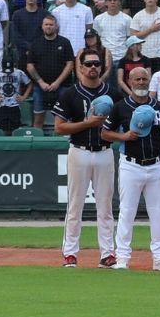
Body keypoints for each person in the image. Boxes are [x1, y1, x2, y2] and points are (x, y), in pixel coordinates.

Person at [52, 48, 121, 267]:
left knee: (105, 206)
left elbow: (121, 123)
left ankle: (107, 253)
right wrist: (87, 124)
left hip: (104, 151)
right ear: (80, 67)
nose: (93, 68)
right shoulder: (70, 94)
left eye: (96, 64)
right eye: (88, 64)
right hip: (79, 151)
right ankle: (70, 253)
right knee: (75, 205)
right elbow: (59, 128)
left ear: (102, 68)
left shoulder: (113, 93)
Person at [102, 62, 160, 272]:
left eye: (144, 79)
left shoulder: (159, 107)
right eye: (137, 79)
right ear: (129, 82)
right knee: (127, 211)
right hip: (131, 164)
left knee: (157, 212)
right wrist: (122, 136)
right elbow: (104, 133)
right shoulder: (120, 107)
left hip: (155, 164)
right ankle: (122, 256)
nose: (141, 82)